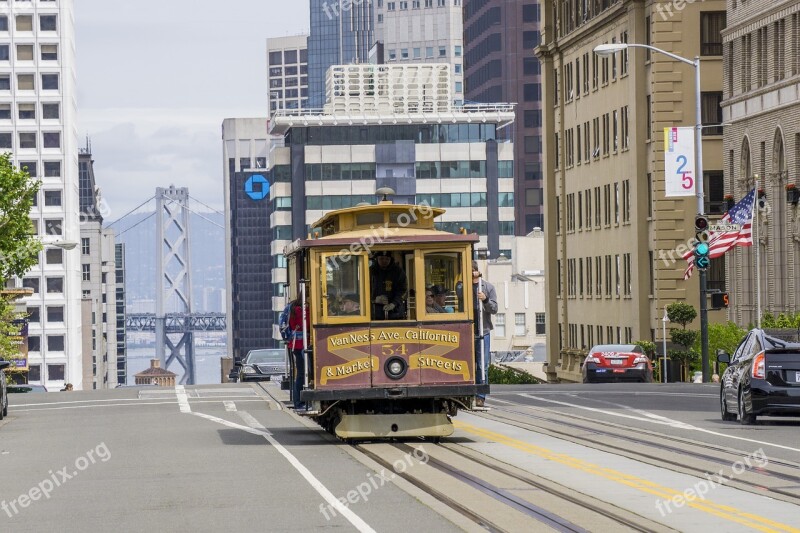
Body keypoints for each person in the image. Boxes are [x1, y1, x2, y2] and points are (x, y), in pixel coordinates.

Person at [472, 260, 497, 407]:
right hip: (467, 332)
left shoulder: (488, 287)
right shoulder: (463, 286)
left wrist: (485, 299)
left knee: (483, 365)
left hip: (483, 331)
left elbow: (494, 308)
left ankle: (480, 395)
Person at [370, 251, 407, 319]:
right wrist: (374, 300)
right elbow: (364, 290)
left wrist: (394, 304)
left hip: (396, 312)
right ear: (377, 259)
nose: (384, 261)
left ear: (391, 259)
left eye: (387, 259)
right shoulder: (370, 271)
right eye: (381, 258)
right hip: (375, 313)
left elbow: (403, 290)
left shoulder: (398, 271)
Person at [287, 297, 310, 410]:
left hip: (295, 345)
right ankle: (300, 402)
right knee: (303, 373)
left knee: (300, 373)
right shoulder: (302, 311)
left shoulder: (292, 309)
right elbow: (308, 323)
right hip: (302, 345)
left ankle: (298, 402)